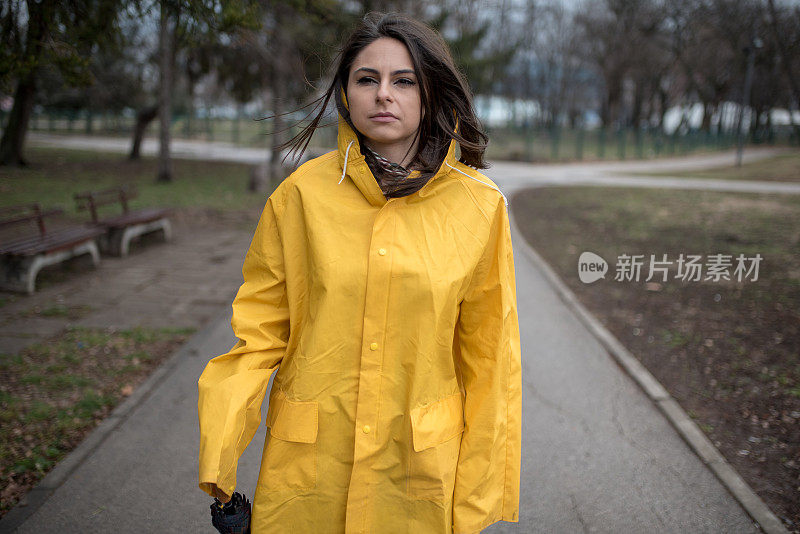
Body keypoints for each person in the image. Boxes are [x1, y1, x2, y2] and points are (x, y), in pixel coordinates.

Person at [197, 11, 522, 534]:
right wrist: (221, 450)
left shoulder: (479, 208)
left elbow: (491, 360)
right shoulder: (301, 196)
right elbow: (258, 335)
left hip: (416, 475)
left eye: (403, 80)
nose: (382, 94)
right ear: (347, 94)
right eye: (366, 79)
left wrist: (478, 494)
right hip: (308, 472)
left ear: (431, 92)